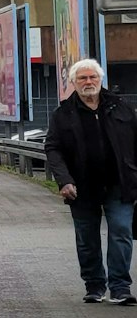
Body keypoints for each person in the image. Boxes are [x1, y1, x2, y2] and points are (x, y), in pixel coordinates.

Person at [46, 58, 137, 304]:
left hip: (119, 183)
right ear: (74, 83)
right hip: (81, 186)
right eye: (83, 78)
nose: (88, 82)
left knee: (121, 231)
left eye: (92, 77)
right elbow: (53, 149)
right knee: (87, 238)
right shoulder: (63, 114)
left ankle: (120, 287)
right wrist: (64, 181)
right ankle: (94, 285)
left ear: (100, 79)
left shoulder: (121, 108)